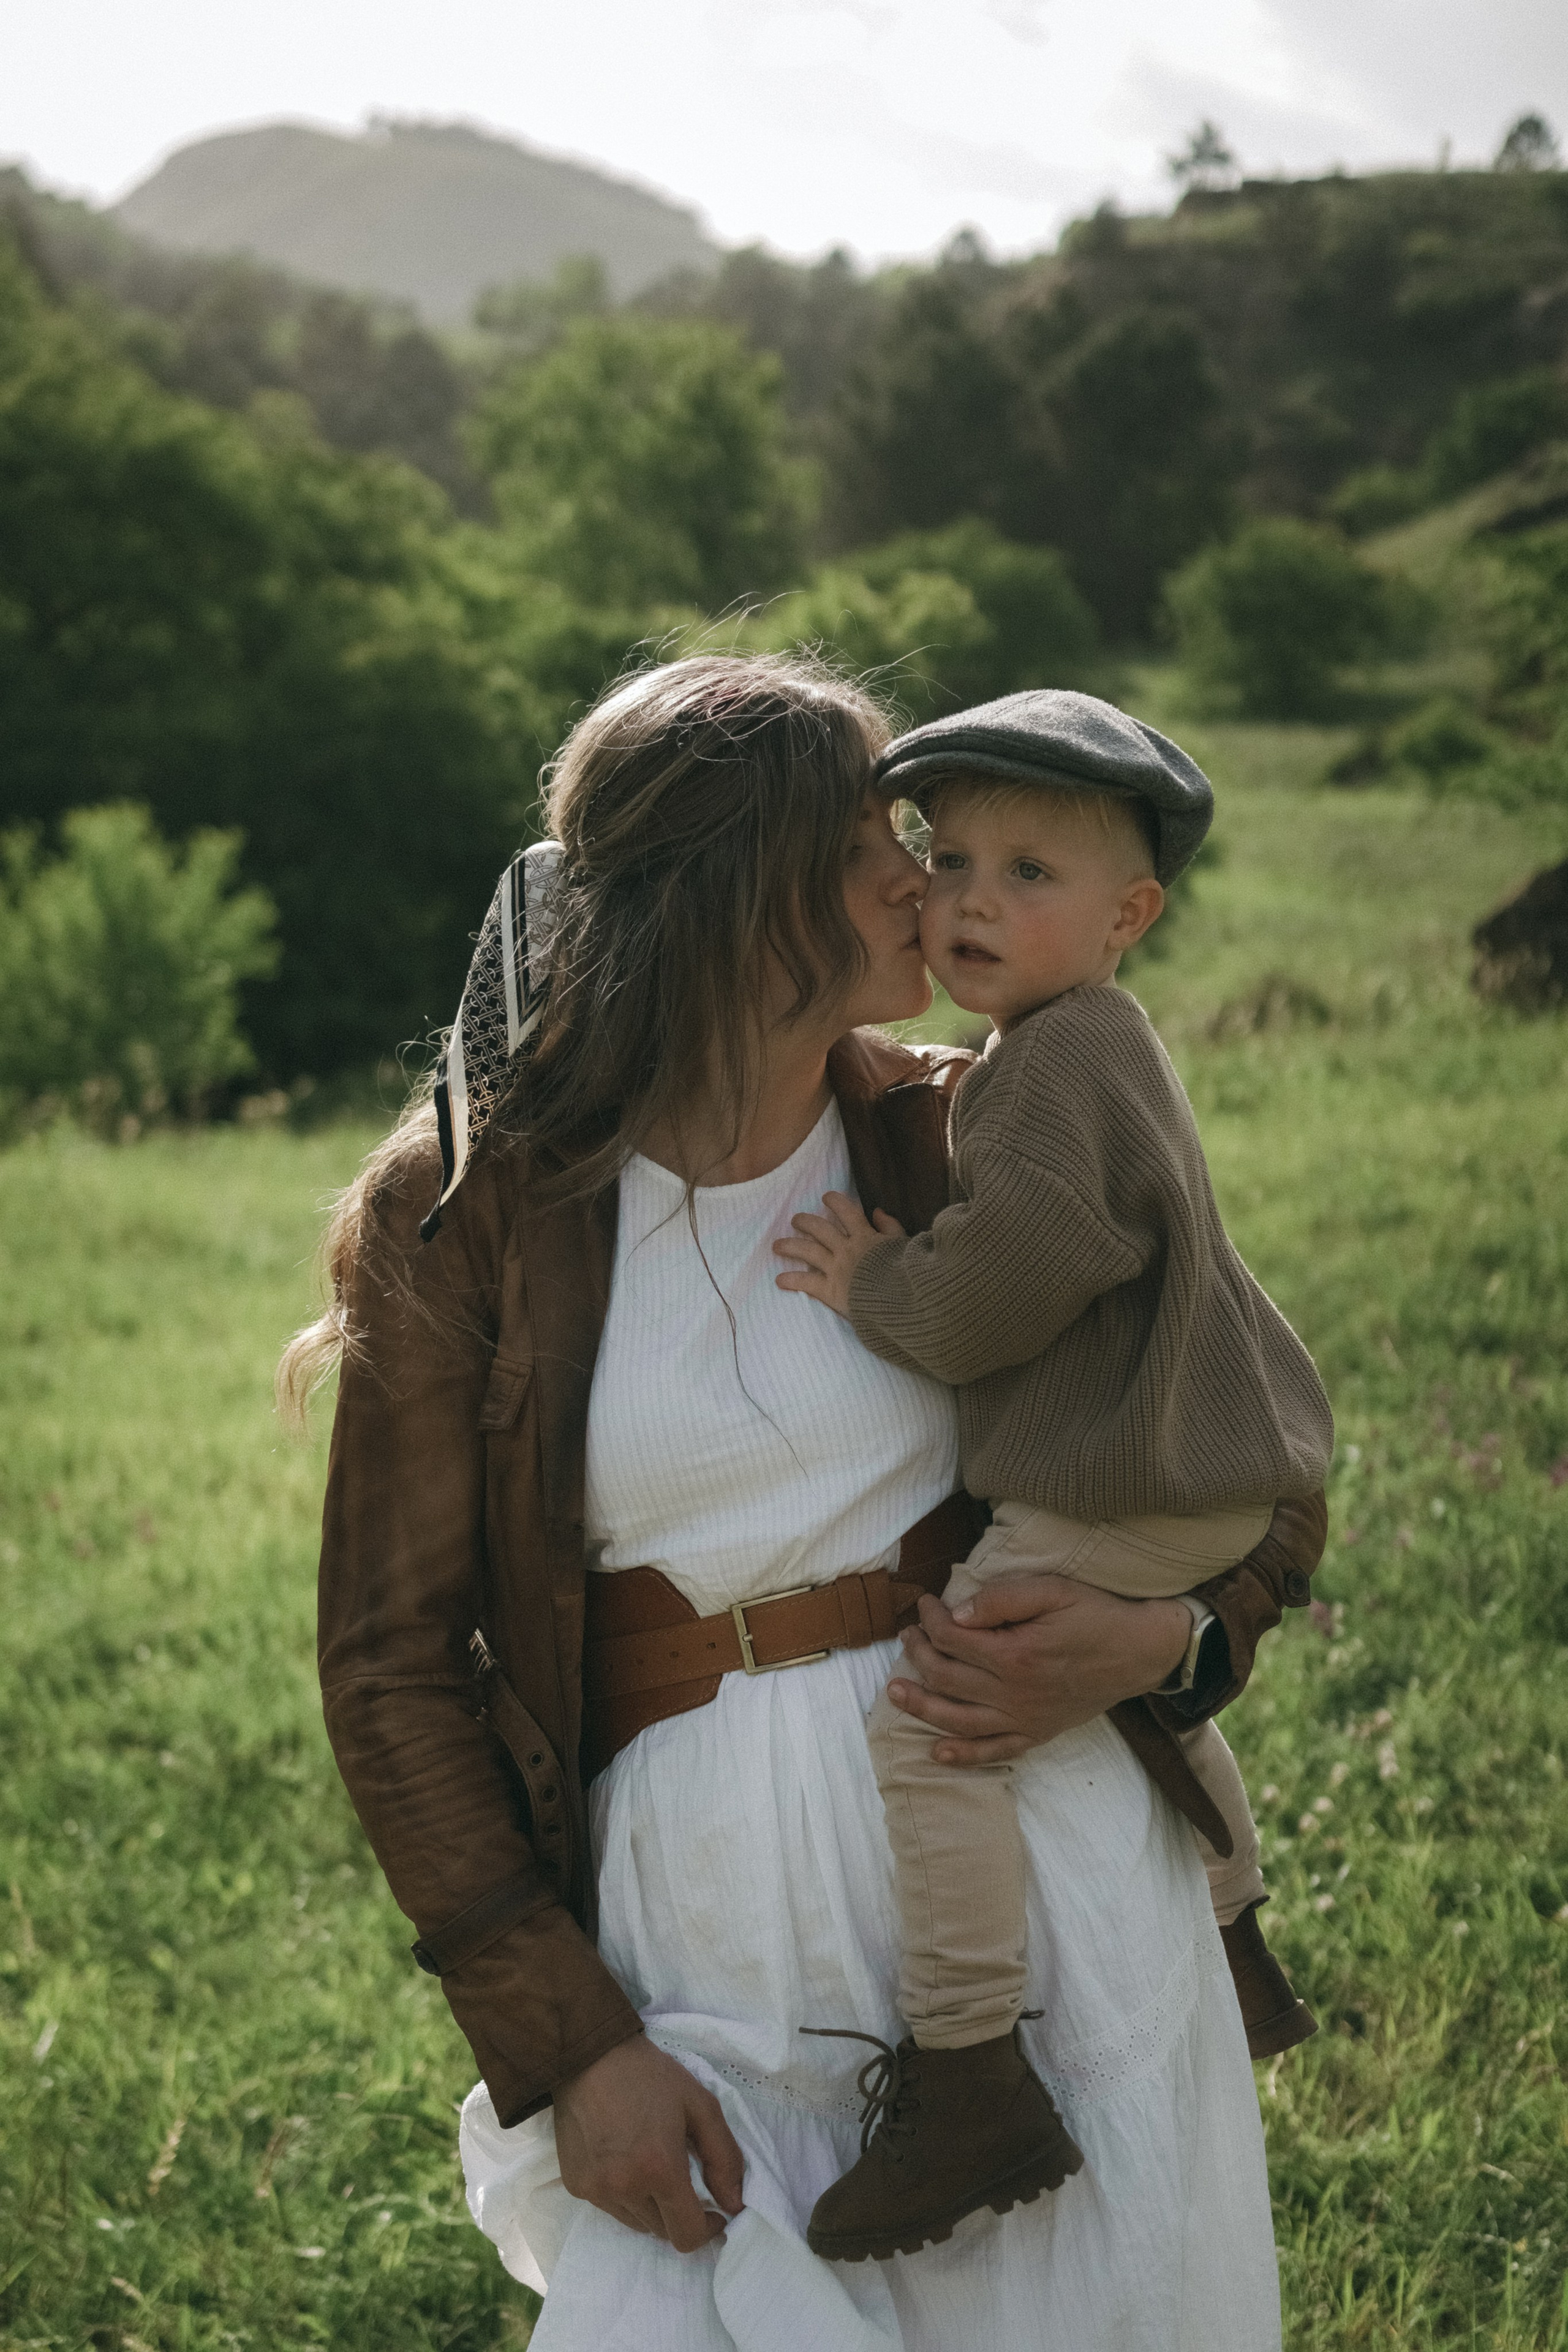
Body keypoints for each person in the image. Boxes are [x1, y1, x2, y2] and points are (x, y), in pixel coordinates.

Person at [281, 654, 1327, 2352]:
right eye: (874, 834)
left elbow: (1246, 1442)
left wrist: (1170, 1640)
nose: (925, 875)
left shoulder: (973, 1130)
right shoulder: (471, 1204)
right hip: (699, 1954)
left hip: (1038, 1889)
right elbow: (391, 1672)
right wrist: (575, 2048)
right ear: (742, 891)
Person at [775, 689, 1333, 2264]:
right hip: (1205, 1477)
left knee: (938, 1724)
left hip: (1123, 1482)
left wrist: (873, 1284)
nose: (968, 902)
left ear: (1127, 916)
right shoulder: (1080, 1042)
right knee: (1116, 1681)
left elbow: (998, 1288)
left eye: (1029, 874)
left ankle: (963, 2077)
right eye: (947, 861)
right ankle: (1230, 1925)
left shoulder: (1045, 1069)